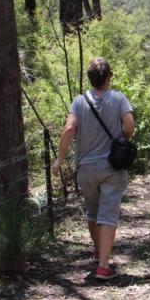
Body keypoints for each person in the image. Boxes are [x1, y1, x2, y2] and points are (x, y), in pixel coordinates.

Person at [53, 57, 135, 280]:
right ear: (108, 76)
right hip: (113, 166)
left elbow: (69, 129)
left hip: (86, 168)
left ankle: (99, 252)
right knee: (108, 216)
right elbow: (129, 127)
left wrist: (59, 159)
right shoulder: (119, 98)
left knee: (92, 212)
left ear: (90, 79)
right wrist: (121, 140)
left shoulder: (79, 102)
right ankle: (103, 266)